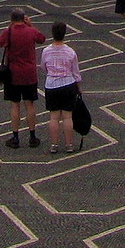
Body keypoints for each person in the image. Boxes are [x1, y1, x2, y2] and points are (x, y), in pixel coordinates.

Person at [0, 8, 45, 148]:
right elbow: (41, 39)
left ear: (11, 19)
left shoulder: (9, 31)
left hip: (13, 74)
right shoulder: (31, 31)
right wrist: (31, 25)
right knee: (29, 104)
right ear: (24, 18)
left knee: (15, 105)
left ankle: (15, 137)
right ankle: (32, 136)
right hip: (29, 74)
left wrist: (10, 27)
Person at [40, 21, 83, 154]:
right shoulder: (70, 52)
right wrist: (79, 87)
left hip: (51, 85)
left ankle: (54, 144)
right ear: (64, 33)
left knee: (54, 117)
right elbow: (76, 72)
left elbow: (43, 67)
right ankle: (69, 145)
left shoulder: (46, 51)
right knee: (67, 117)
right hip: (68, 84)